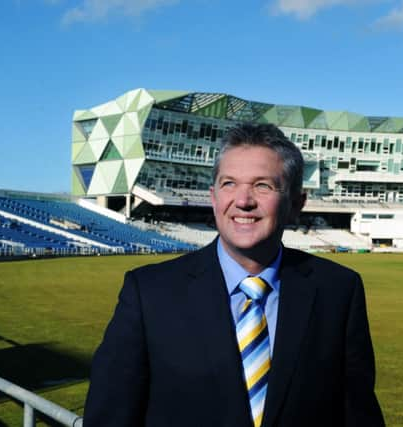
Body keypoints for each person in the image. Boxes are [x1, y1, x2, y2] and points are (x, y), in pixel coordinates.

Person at [84, 123, 384, 426]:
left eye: (262, 185)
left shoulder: (338, 291)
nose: (243, 200)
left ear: (296, 203)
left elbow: (358, 415)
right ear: (213, 197)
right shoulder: (148, 293)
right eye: (229, 184)